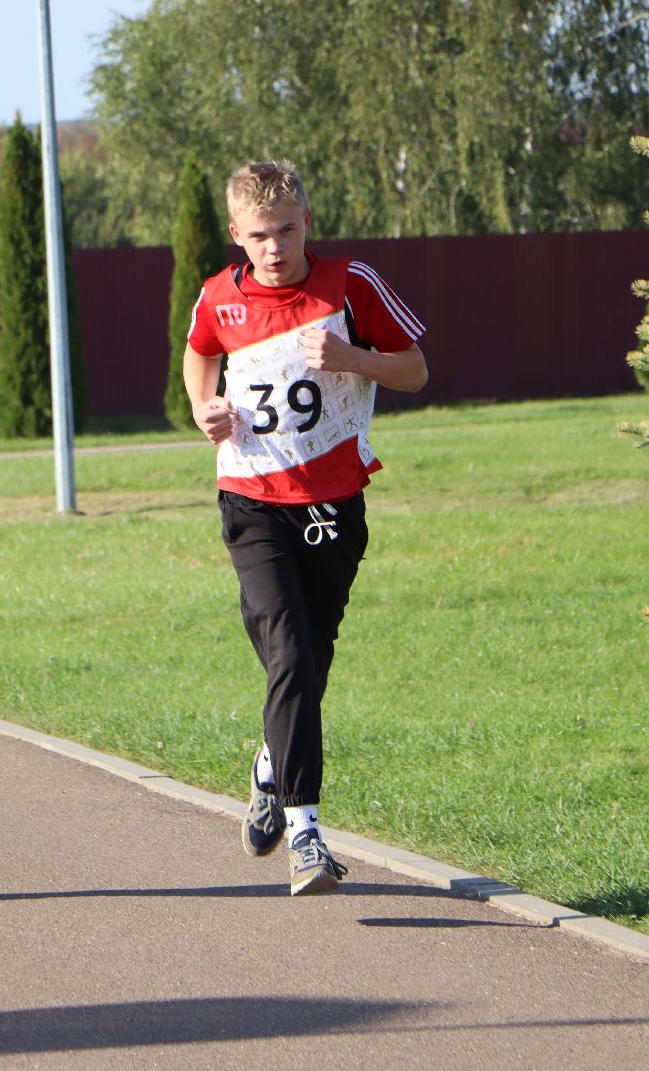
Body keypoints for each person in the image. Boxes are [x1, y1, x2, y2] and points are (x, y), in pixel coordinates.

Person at [182, 162, 428, 896]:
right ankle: (308, 833)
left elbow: (415, 368)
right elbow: (199, 354)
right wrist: (204, 410)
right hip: (252, 498)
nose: (275, 246)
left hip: (335, 499)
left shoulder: (350, 284)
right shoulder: (219, 298)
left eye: (287, 229)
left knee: (309, 661)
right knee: (288, 647)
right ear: (238, 236)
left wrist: (355, 358)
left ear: (306, 222)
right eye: (259, 235)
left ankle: (270, 761)